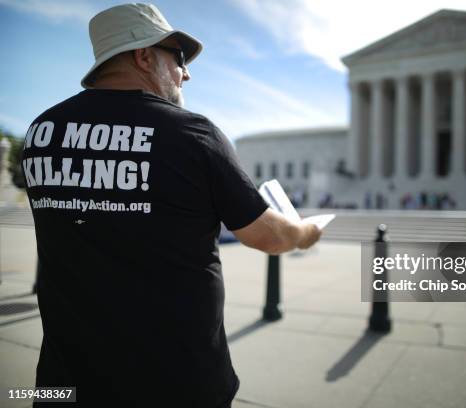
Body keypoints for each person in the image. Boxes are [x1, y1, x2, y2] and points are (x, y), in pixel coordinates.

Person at [23, 4, 321, 407]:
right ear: (144, 56)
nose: (187, 72)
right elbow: (267, 236)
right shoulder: (192, 135)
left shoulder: (41, 131)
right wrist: (305, 233)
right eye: (178, 57)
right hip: (175, 383)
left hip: (64, 384)